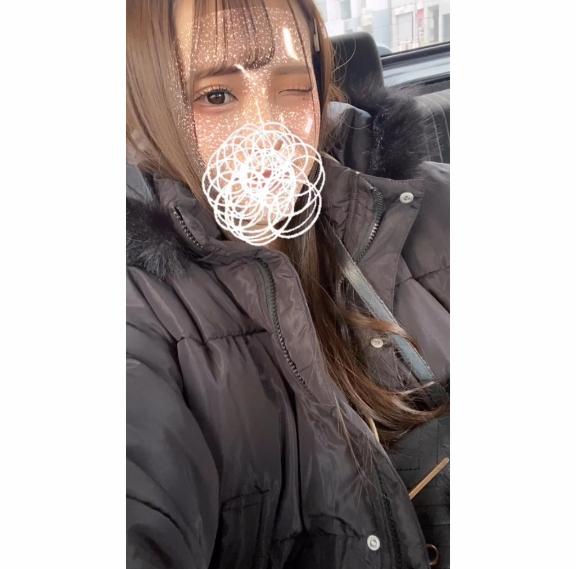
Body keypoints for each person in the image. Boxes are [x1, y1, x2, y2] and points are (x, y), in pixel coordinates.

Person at [126, 0, 450, 567]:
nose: (268, 132)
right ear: (147, 114)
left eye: (295, 89)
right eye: (216, 96)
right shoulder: (137, 310)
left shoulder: (432, 203)